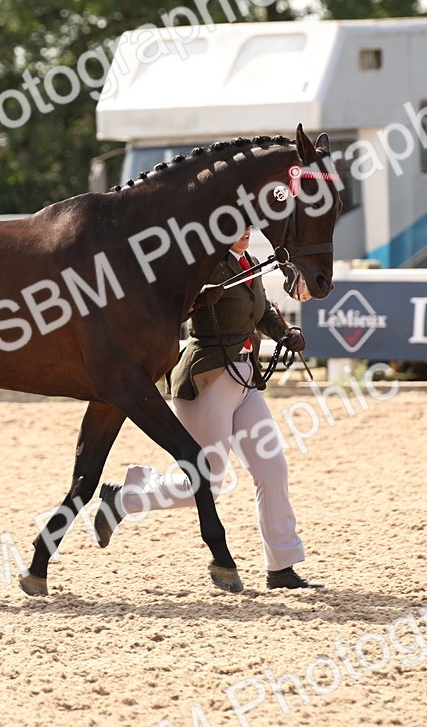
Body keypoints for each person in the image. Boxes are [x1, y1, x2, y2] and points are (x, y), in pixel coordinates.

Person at [94, 226, 319, 589]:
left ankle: (282, 566)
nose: (247, 231)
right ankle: (125, 498)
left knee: (272, 468)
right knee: (205, 485)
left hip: (243, 379)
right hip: (207, 379)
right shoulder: (201, 266)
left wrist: (285, 333)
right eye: (238, 225)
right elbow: (169, 305)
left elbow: (260, 314)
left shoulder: (248, 263)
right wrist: (198, 297)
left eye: (250, 225)